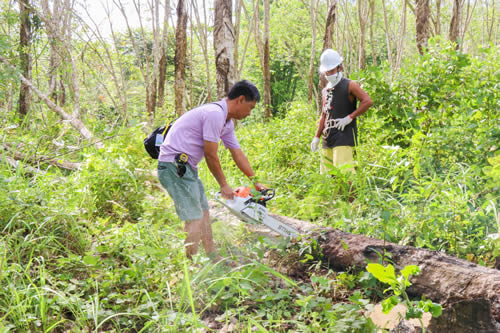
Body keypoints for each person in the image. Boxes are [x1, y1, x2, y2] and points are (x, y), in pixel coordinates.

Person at [157, 80, 265, 260]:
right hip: (174, 167)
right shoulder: (214, 114)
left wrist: (255, 181)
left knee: (204, 214)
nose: (249, 113)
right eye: (250, 107)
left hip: (186, 169)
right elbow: (210, 154)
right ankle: (191, 265)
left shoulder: (226, 122)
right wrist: (224, 185)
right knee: (194, 217)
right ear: (240, 99)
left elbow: (237, 154)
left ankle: (212, 256)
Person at [310, 49, 373, 175]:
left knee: (345, 173)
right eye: (327, 71)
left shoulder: (349, 85)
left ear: (340, 67)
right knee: (327, 175)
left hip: (344, 136)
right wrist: (317, 137)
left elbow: (367, 101)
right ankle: (334, 196)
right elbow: (324, 115)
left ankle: (350, 195)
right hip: (328, 136)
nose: (329, 74)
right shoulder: (325, 90)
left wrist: (350, 117)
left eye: (332, 70)